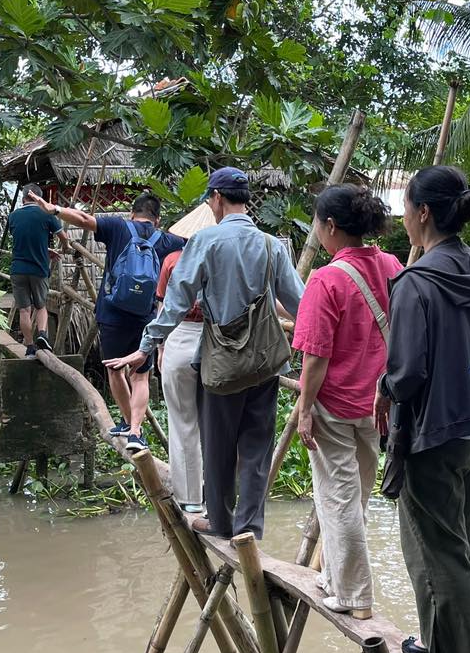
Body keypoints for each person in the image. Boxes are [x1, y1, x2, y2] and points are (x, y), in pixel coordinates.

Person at [108, 167, 303, 540]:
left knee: (218, 445)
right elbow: (300, 303)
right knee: (257, 448)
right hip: (264, 363)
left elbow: (176, 303)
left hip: (222, 364)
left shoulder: (206, 242)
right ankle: (250, 526)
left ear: (216, 198)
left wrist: (145, 347)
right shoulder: (270, 245)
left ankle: (220, 520)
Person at [374, 165, 470, 653]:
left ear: (423, 213)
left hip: (433, 432)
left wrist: (383, 388)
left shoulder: (415, 283)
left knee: (438, 548)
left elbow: (406, 373)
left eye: (406, 208)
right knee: (460, 540)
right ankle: (438, 640)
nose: (402, 218)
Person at [293, 185, 404, 620]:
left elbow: (315, 356)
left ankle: (355, 596)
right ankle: (337, 578)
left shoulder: (326, 279)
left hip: (336, 404)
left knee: (338, 498)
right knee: (354, 495)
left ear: (331, 226)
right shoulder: (392, 265)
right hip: (380, 403)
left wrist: (304, 410)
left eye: (318, 224)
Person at [35, 190, 184, 446]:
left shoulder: (117, 226)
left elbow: (83, 219)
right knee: (140, 376)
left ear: (132, 213)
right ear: (157, 219)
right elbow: (193, 244)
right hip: (146, 316)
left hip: (113, 313)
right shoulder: (167, 240)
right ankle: (137, 431)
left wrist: (55, 210)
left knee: (115, 370)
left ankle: (127, 423)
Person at [155, 224, 211, 513]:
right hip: (216, 343)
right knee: (214, 423)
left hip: (178, 336)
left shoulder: (172, 261)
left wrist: (160, 347)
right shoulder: (221, 260)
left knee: (182, 422)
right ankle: (216, 494)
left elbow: (164, 309)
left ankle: (190, 499)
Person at [7, 186, 62, 357]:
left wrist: (44, 248)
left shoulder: (13, 216)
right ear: (40, 198)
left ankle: (30, 346)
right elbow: (63, 237)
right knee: (40, 306)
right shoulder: (47, 214)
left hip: (18, 270)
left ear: (23, 199)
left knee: (24, 310)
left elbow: (24, 239)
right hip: (38, 269)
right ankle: (43, 335)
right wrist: (65, 247)